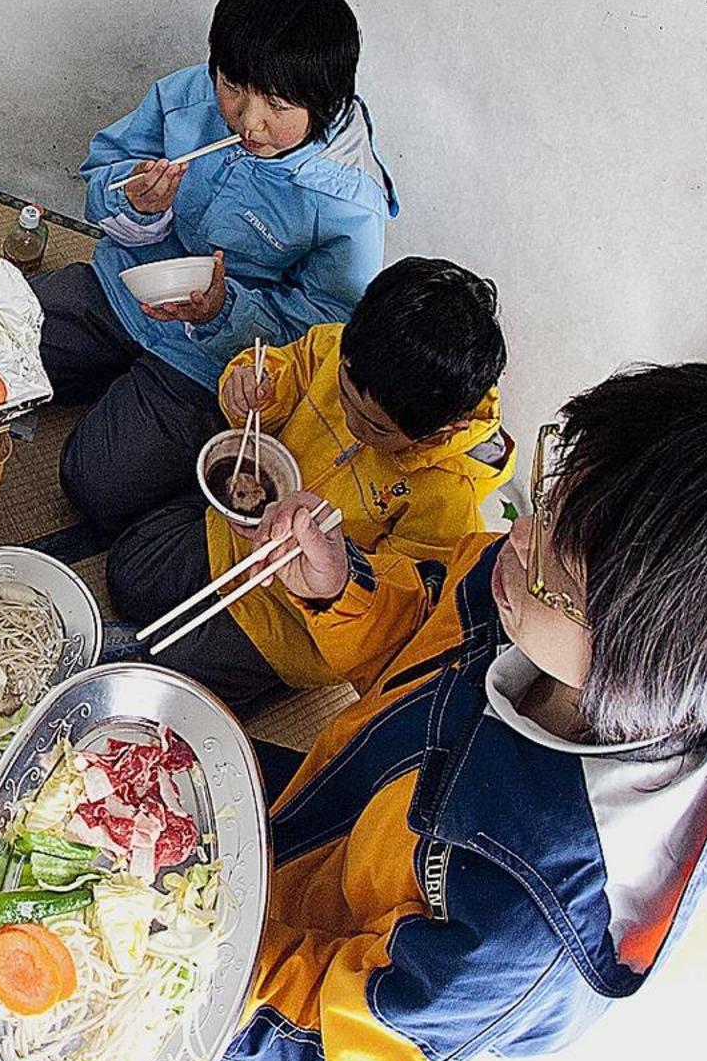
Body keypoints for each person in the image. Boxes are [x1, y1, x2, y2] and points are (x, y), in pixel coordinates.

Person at [217, 363, 707, 1061]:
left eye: (553, 563)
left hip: (288, 956)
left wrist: (180, 971)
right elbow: (427, 645)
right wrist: (345, 592)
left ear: (635, 661)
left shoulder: (528, 925)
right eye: (549, 499)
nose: (517, 539)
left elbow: (333, 1030)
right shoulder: (578, 611)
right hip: (341, 803)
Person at [38, 0, 398, 533]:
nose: (249, 121)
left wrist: (224, 313)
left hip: (212, 357)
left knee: (93, 481)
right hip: (124, 283)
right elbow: (102, 168)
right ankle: (103, 374)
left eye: (278, 105)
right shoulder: (187, 98)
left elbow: (326, 330)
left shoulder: (347, 199)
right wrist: (133, 201)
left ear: (325, 104)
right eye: (233, 87)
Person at [112, 256, 513, 716]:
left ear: (443, 430)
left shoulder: (448, 499)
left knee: (161, 681)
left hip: (286, 626)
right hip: (227, 537)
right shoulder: (335, 347)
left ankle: (270, 683)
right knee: (126, 574)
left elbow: (396, 616)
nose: (351, 422)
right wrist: (252, 388)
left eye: (376, 428)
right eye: (343, 397)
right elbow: (284, 368)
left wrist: (332, 573)